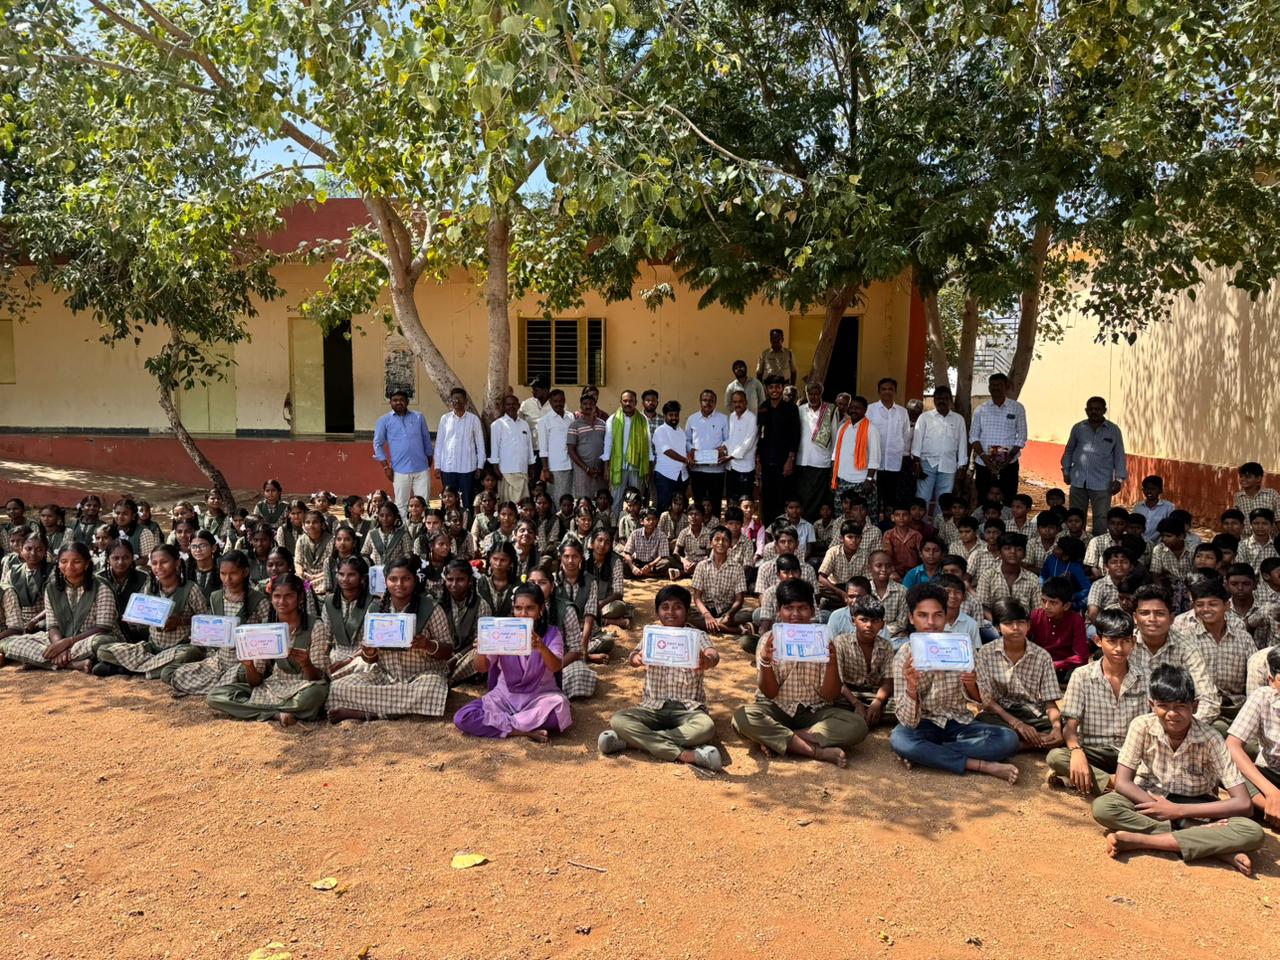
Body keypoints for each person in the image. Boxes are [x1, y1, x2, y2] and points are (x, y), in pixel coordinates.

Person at [1091, 664, 1264, 875]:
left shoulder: (1211, 738)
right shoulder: (1141, 726)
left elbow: (1244, 803)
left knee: (1252, 832)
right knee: (1104, 807)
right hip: (1150, 797)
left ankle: (1144, 841)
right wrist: (1176, 816)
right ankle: (1210, 846)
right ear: (1151, 704)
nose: (1172, 714)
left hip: (1198, 804)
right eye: (1163, 705)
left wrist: (1179, 811)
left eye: (1181, 706)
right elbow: (1123, 782)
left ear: (1195, 706)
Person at [888, 583, 1021, 780]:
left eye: (938, 615)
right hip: (923, 725)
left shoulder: (963, 648)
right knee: (900, 739)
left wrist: (970, 683)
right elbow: (907, 721)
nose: (931, 622)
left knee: (1008, 740)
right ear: (911, 618)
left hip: (959, 723)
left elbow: (983, 701)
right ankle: (979, 765)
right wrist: (911, 687)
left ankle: (928, 755)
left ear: (945, 617)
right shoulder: (904, 657)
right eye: (923, 615)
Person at [732, 580, 866, 766]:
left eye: (802, 608)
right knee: (742, 718)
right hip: (776, 708)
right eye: (789, 608)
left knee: (857, 726)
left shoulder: (825, 641)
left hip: (814, 711)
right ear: (779, 610)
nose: (795, 614)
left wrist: (832, 661)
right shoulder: (768, 641)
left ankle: (779, 738)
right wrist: (765, 660)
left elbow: (830, 695)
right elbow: (770, 693)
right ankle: (815, 751)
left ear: (812, 610)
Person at [599, 585, 723, 770]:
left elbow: (713, 655)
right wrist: (636, 658)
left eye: (677, 607)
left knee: (706, 728)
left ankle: (631, 741)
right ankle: (686, 755)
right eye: (665, 607)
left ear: (687, 611)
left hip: (688, 710)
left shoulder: (697, 635)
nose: (671, 612)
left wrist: (707, 660)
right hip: (653, 708)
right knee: (619, 719)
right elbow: (633, 655)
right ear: (657, 612)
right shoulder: (652, 635)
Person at [326, 557, 454, 722]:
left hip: (423, 675)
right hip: (385, 675)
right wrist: (369, 652)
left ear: (414, 580)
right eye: (393, 579)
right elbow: (370, 658)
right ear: (385, 581)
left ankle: (370, 713)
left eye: (405, 579)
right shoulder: (375, 609)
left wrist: (427, 644)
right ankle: (400, 708)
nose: (399, 584)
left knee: (432, 689)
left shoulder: (431, 608)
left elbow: (447, 651)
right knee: (338, 687)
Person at [1046, 608, 1148, 795]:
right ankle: (1116, 782)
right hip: (1095, 751)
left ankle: (1099, 781)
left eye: (1125, 641)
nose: (1119, 648)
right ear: (1098, 641)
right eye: (1112, 641)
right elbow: (1070, 726)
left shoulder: (1146, 677)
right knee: (1056, 757)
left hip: (1133, 753)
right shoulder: (1082, 676)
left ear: (1133, 642)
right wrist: (1076, 751)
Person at [205, 573, 329, 726]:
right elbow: (256, 682)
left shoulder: (315, 626)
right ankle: (275, 714)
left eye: (289, 596)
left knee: (315, 694)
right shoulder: (266, 626)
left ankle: (257, 709)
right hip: (273, 685)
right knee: (215, 696)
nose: (282, 601)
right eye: (277, 596)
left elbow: (316, 678)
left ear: (300, 598)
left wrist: (306, 663)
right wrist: (249, 665)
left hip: (303, 687)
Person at [453, 582, 572, 742]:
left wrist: (542, 648)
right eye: (518, 608)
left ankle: (505, 724)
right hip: (505, 697)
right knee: (463, 717)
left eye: (530, 608)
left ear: (541, 610)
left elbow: (556, 666)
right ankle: (523, 730)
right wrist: (481, 651)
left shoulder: (552, 634)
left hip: (539, 697)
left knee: (560, 708)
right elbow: (482, 668)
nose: (523, 614)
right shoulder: (501, 631)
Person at [94, 543, 209, 678]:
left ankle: (130, 669)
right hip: (153, 648)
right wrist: (133, 617)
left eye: (164, 562)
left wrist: (181, 621)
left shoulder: (191, 589)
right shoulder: (150, 588)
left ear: (177, 563)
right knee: (104, 650)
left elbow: (206, 622)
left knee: (189, 654)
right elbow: (142, 618)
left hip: (180, 647)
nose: (158, 567)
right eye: (154, 563)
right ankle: (154, 669)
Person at [0, 541, 117, 672]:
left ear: (87, 564)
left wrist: (67, 643)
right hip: (58, 640)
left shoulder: (101, 587)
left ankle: (40, 661)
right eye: (64, 561)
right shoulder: (51, 587)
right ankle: (72, 664)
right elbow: (52, 625)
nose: (69, 566)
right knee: (9, 642)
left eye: (77, 562)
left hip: (86, 640)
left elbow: (103, 627)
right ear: (58, 563)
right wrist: (58, 645)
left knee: (100, 643)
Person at [970, 598, 1063, 750]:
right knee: (979, 724)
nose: (1015, 628)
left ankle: (1020, 743)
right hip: (999, 714)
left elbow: (1049, 702)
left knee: (1067, 728)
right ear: (997, 627)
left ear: (1028, 625)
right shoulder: (985, 653)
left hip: (1033, 714)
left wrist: (1057, 729)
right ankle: (1031, 742)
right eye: (1008, 623)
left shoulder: (1042, 656)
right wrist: (1017, 724)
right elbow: (987, 701)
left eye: (1020, 622)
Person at [1130, 584, 1220, 723]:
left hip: (1176, 726)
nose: (1152, 619)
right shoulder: (1124, 646)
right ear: (1135, 618)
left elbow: (1208, 700)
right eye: (1145, 613)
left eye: (1160, 613)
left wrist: (1180, 727)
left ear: (1171, 618)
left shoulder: (1187, 648)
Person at [1173, 578, 1254, 733]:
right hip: (1199, 708)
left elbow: (1254, 678)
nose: (1206, 609)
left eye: (1213, 604)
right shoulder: (1185, 639)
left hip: (1238, 708)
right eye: (1200, 605)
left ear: (1227, 606)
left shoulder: (1243, 638)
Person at [1226, 647, 1280, 829]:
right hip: (1270, 774)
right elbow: (1232, 745)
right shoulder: (1263, 697)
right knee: (1225, 768)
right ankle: (1269, 807)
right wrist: (1271, 792)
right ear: (1271, 681)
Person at [1060, 397, 1127, 534]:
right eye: (1090, 409)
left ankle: (1098, 548)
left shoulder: (1113, 430)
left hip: (1102, 483)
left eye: (1097, 409)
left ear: (1104, 410)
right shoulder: (1078, 428)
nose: (1094, 412)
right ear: (1086, 410)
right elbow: (1069, 450)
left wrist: (1119, 480)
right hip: (1079, 481)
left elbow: (1119, 455)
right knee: (1076, 517)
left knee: (1101, 518)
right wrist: (1066, 471)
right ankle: (1077, 546)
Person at [832, 594, 895, 726]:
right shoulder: (841, 642)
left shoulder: (886, 646)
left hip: (875, 694)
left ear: (882, 624)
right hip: (848, 694)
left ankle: (864, 716)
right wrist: (856, 703)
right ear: (854, 621)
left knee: (899, 705)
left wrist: (877, 702)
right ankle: (864, 716)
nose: (869, 625)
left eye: (875, 621)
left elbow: (888, 682)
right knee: (831, 701)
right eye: (864, 620)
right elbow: (838, 682)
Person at [372, 388, 434, 514]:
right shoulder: (384, 420)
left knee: (423, 503)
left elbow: (426, 438)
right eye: (394, 400)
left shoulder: (418, 417)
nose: (398, 402)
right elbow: (378, 444)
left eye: (401, 400)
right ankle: (404, 532)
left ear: (407, 402)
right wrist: (385, 467)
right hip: (399, 470)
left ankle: (422, 531)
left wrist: (429, 456)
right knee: (401, 505)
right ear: (390, 403)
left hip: (421, 468)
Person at [968, 373, 1027, 503]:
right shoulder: (980, 409)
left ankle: (1006, 523)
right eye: (992, 385)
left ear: (1006, 387)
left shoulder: (1017, 408)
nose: (995, 388)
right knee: (984, 500)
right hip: (984, 463)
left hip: (1009, 463)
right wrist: (984, 457)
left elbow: (1022, 436)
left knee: (1008, 499)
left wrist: (1008, 458)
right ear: (989, 388)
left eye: (999, 385)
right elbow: (973, 437)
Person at [911, 386, 968, 513]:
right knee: (922, 497)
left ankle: (940, 529)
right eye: (939, 398)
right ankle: (923, 528)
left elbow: (962, 443)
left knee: (944, 500)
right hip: (926, 464)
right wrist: (916, 461)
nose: (942, 401)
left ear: (950, 400)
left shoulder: (958, 419)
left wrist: (962, 466)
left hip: (949, 465)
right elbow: (917, 441)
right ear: (934, 400)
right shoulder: (925, 418)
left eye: (945, 398)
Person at [600, 390, 652, 519]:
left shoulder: (643, 419)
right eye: (625, 401)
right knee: (616, 499)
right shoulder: (613, 419)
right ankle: (615, 527)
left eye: (631, 401)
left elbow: (648, 443)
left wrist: (649, 466)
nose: (628, 403)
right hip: (618, 467)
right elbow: (608, 444)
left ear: (636, 403)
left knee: (636, 499)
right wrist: (606, 467)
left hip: (636, 467)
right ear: (620, 402)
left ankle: (634, 528)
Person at [756, 374, 800, 524]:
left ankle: (783, 532)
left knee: (782, 497)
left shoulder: (791, 408)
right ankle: (768, 532)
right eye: (771, 387)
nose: (774, 390)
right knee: (767, 498)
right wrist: (758, 461)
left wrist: (790, 459)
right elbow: (758, 435)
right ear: (767, 389)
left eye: (777, 387)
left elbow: (795, 435)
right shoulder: (763, 408)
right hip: (766, 461)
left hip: (784, 462)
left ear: (782, 388)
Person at [866, 378, 911, 518]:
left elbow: (906, 435)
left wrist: (904, 457)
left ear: (895, 391)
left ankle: (889, 528)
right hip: (875, 464)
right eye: (884, 389)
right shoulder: (870, 410)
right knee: (874, 498)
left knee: (891, 500)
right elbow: (865, 434)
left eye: (890, 389)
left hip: (894, 463)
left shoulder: (902, 412)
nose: (887, 392)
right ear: (879, 391)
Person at [1030, 577, 1089, 683]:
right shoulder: (1035, 615)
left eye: (1053, 603)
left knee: (1079, 674)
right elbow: (1023, 644)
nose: (1046, 606)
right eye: (1044, 601)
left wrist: (1057, 665)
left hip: (1065, 668)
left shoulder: (1076, 620)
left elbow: (1082, 657)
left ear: (1066, 606)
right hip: (1039, 664)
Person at [830, 395, 881, 518]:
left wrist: (869, 480)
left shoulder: (871, 429)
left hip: (862, 482)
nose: (853, 410)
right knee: (842, 516)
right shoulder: (843, 427)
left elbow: (875, 457)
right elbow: (835, 455)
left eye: (857, 408)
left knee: (864, 517)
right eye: (851, 407)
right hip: (842, 480)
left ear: (865, 410)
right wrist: (833, 477)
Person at [795, 380, 836, 521]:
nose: (813, 397)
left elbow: (834, 436)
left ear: (821, 394)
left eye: (816, 394)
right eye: (810, 394)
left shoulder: (830, 410)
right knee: (803, 496)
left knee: (817, 498)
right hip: (802, 460)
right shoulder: (800, 410)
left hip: (821, 461)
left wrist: (833, 460)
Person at [685, 389, 729, 515]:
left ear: (715, 403)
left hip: (716, 470)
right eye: (705, 400)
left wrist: (723, 448)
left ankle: (714, 529)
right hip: (697, 470)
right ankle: (699, 527)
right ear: (700, 402)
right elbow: (686, 440)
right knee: (698, 501)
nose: (708, 403)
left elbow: (729, 439)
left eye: (711, 401)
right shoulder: (692, 419)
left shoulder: (723, 419)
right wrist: (691, 449)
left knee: (715, 502)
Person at [489, 394, 536, 505]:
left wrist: (531, 466)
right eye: (508, 404)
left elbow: (529, 447)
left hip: (522, 470)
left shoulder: (524, 424)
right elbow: (494, 449)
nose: (511, 407)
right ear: (504, 407)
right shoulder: (497, 425)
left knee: (522, 504)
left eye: (513, 404)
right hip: (506, 472)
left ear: (518, 405)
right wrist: (496, 468)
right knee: (507, 504)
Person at [537, 388, 576, 506]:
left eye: (561, 401)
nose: (559, 404)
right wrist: (545, 470)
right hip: (555, 467)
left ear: (564, 401)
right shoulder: (544, 421)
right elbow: (543, 448)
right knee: (557, 499)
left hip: (572, 465)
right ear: (550, 402)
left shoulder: (571, 417)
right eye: (555, 401)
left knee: (571, 498)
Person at [567, 391, 608, 499]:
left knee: (600, 499)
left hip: (600, 470)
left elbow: (607, 446)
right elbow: (571, 450)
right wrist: (586, 469)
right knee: (584, 501)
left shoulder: (602, 424)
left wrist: (604, 467)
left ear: (595, 406)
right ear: (580, 407)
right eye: (585, 404)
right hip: (582, 470)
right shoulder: (574, 425)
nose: (588, 406)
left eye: (591, 404)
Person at [725, 390, 758, 505]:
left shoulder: (752, 418)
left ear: (746, 402)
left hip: (745, 469)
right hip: (731, 467)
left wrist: (730, 456)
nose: (737, 404)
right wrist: (723, 447)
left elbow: (748, 443)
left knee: (745, 502)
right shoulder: (732, 416)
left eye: (740, 401)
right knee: (732, 500)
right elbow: (732, 438)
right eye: (734, 402)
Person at [518, 377, 551, 479]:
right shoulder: (526, 404)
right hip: (533, 450)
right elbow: (518, 423)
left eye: (536, 390)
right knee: (534, 481)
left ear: (545, 390)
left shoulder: (556, 404)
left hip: (550, 451)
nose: (532, 392)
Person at [1130, 475, 1173, 543]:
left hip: (1159, 544)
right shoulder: (1138, 507)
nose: (1149, 491)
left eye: (1153, 489)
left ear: (1160, 490)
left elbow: (1170, 528)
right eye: (1146, 489)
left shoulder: (1168, 507)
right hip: (1138, 542)